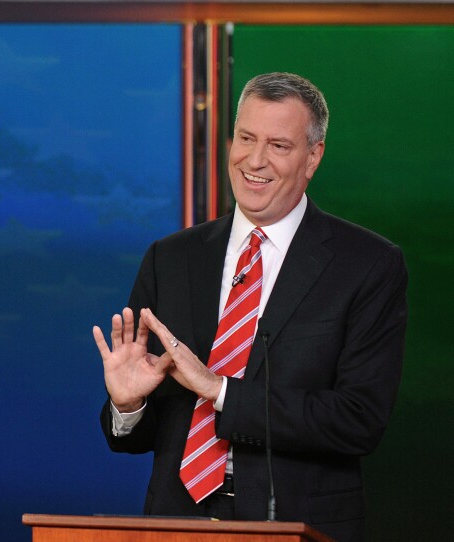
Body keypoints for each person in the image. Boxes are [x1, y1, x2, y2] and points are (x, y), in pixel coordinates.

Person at [93, 72, 407, 542]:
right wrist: (129, 403)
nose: (254, 160)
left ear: (312, 157)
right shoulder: (171, 257)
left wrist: (220, 391)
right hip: (176, 524)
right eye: (245, 138)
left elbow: (357, 421)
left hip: (297, 523)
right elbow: (137, 438)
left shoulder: (367, 265)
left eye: (279, 145)